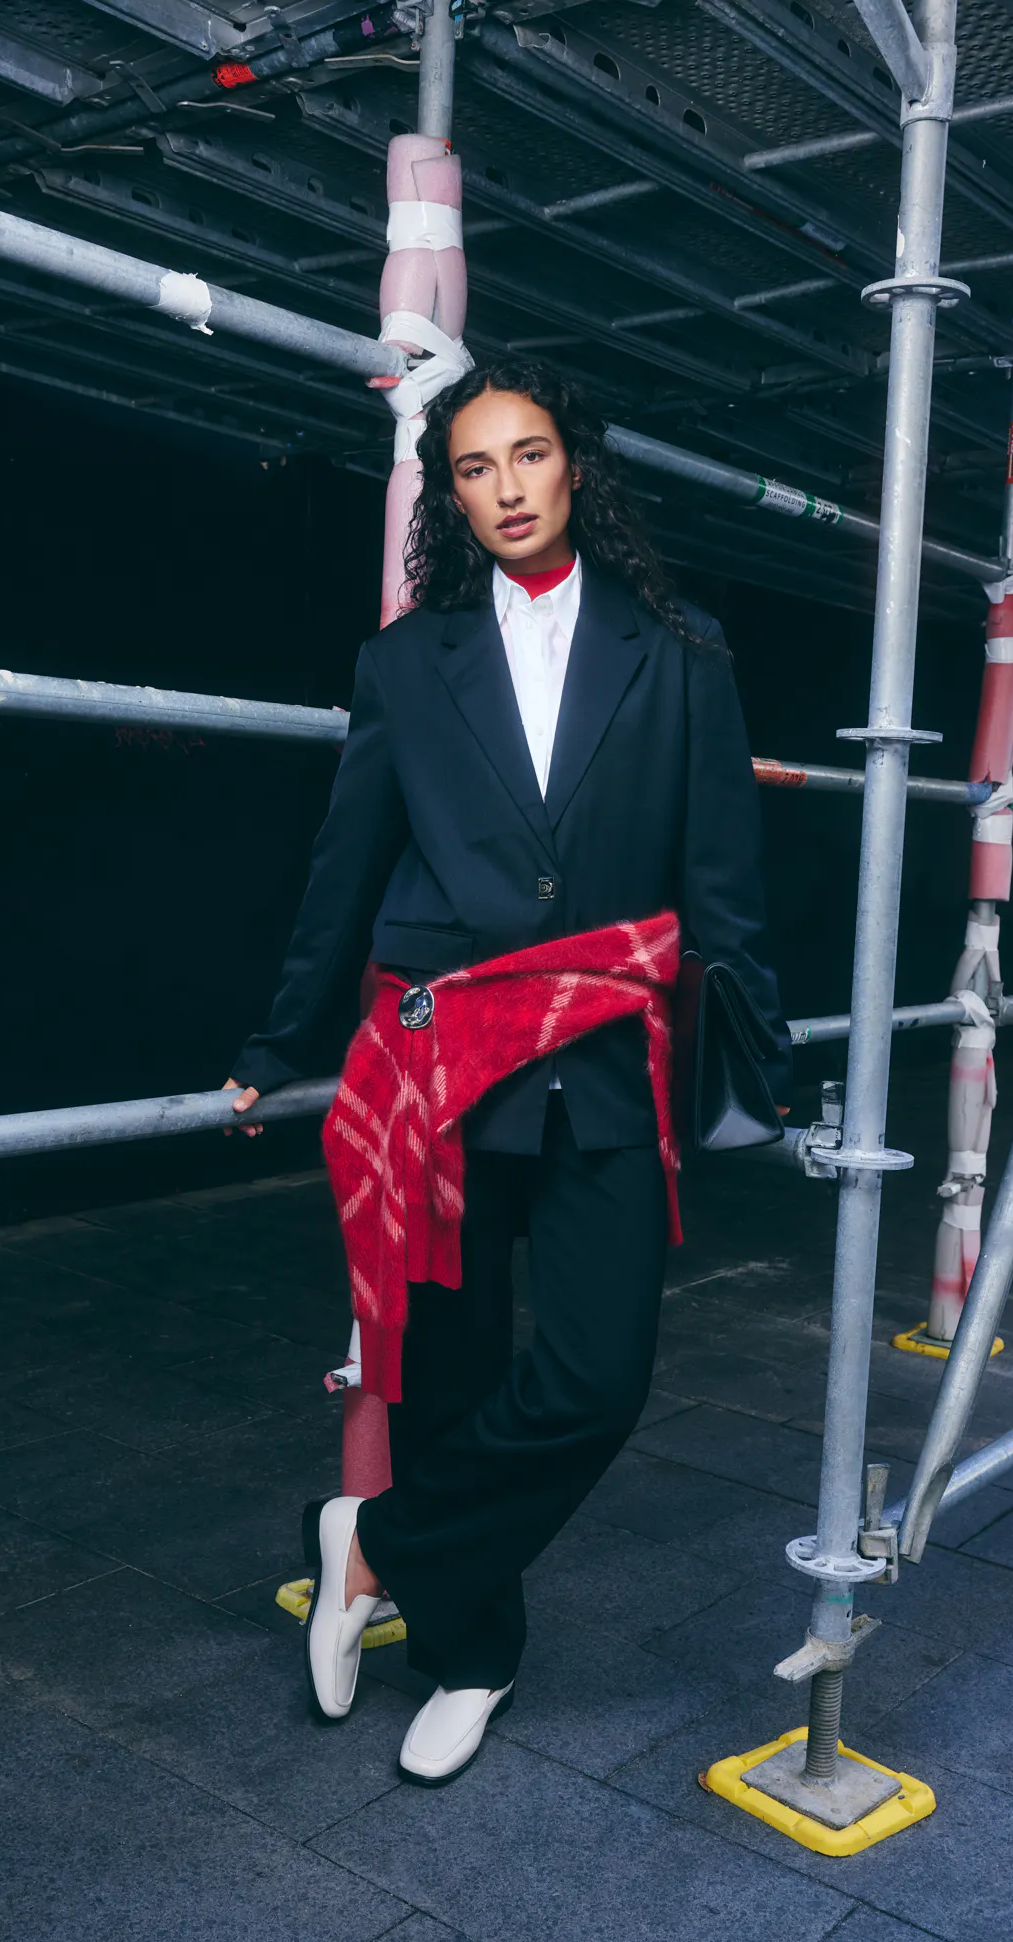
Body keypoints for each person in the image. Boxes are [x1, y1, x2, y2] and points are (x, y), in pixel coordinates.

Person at [222, 361, 790, 1786]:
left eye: (528, 454)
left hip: (602, 1056)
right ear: (453, 497)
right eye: (474, 468)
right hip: (444, 1065)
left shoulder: (684, 649)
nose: (508, 488)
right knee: (450, 1381)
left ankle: (374, 1545)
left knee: (597, 1379)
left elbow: (723, 882)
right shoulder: (404, 663)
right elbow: (344, 866)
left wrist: (760, 1058)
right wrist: (279, 1042)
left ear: (574, 465)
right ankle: (472, 1656)